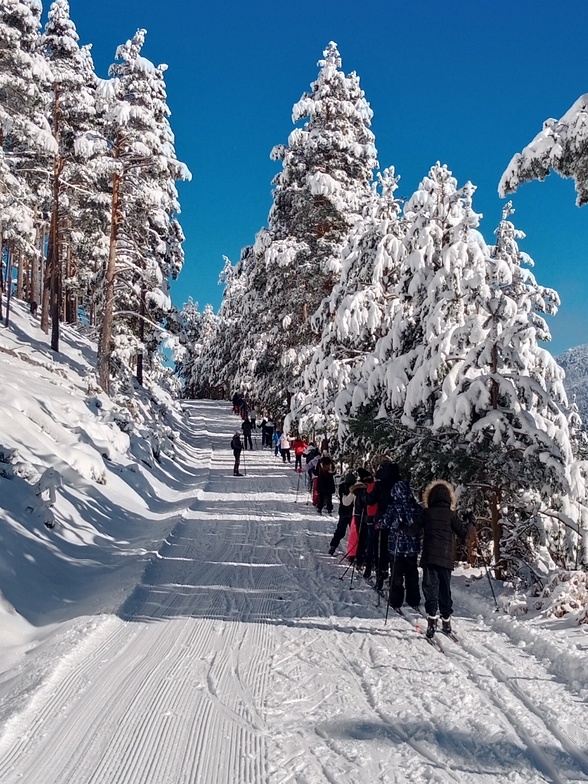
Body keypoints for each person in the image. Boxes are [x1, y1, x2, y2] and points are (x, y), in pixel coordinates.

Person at [420, 480, 476, 638]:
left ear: (430, 497)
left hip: (430, 557)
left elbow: (413, 529)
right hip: (445, 557)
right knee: (445, 588)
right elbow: (464, 533)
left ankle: (431, 619)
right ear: (449, 499)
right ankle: (446, 620)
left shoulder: (426, 513)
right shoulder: (451, 515)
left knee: (430, 587)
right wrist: (471, 522)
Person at [380, 479, 423, 612]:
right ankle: (413, 599)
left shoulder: (393, 508)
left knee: (396, 574)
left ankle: (396, 600)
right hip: (413, 547)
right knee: (412, 573)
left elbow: (385, 522)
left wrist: (378, 524)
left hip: (396, 546)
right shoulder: (417, 507)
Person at [368, 459, 401, 590]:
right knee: (393, 548)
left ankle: (380, 576)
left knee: (380, 547)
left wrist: (365, 495)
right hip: (397, 520)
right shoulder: (400, 483)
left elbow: (370, 500)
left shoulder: (380, 484)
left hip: (381, 519)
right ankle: (394, 576)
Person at [328, 472, 356, 555]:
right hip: (353, 513)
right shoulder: (355, 489)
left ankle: (333, 546)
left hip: (343, 512)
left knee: (340, 530)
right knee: (354, 532)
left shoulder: (342, 488)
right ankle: (354, 551)